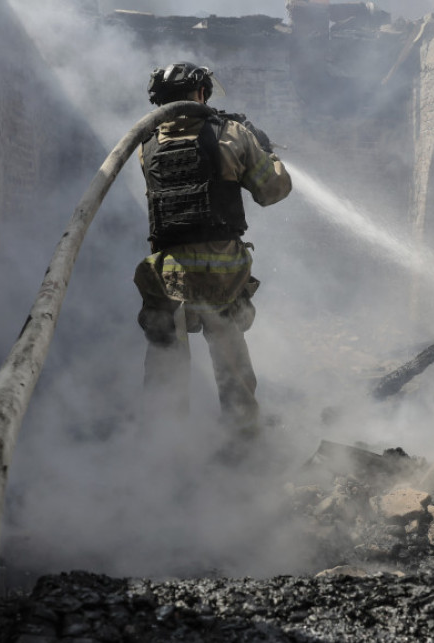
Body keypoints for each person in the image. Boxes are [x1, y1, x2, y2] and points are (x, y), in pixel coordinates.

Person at [135, 62, 292, 442]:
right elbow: (272, 190)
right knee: (230, 359)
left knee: (166, 360)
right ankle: (242, 442)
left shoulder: (147, 143)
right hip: (222, 269)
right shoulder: (231, 135)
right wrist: (264, 148)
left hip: (166, 272)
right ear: (201, 93)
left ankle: (162, 446)